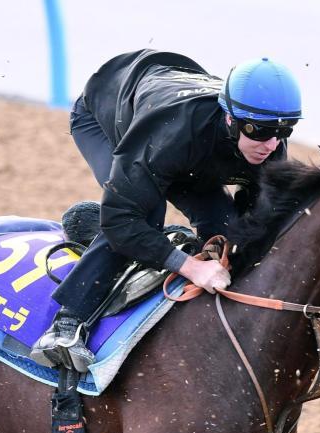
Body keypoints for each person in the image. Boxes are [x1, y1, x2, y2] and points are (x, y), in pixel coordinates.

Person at [31, 49, 303, 372]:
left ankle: (143, 241)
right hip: (107, 121)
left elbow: (260, 224)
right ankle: (66, 324)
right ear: (230, 118)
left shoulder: (268, 143)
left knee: (229, 232)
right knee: (143, 215)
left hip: (188, 152)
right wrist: (189, 266)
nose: (270, 145)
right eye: (258, 132)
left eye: (282, 132)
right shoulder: (174, 133)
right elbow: (123, 219)